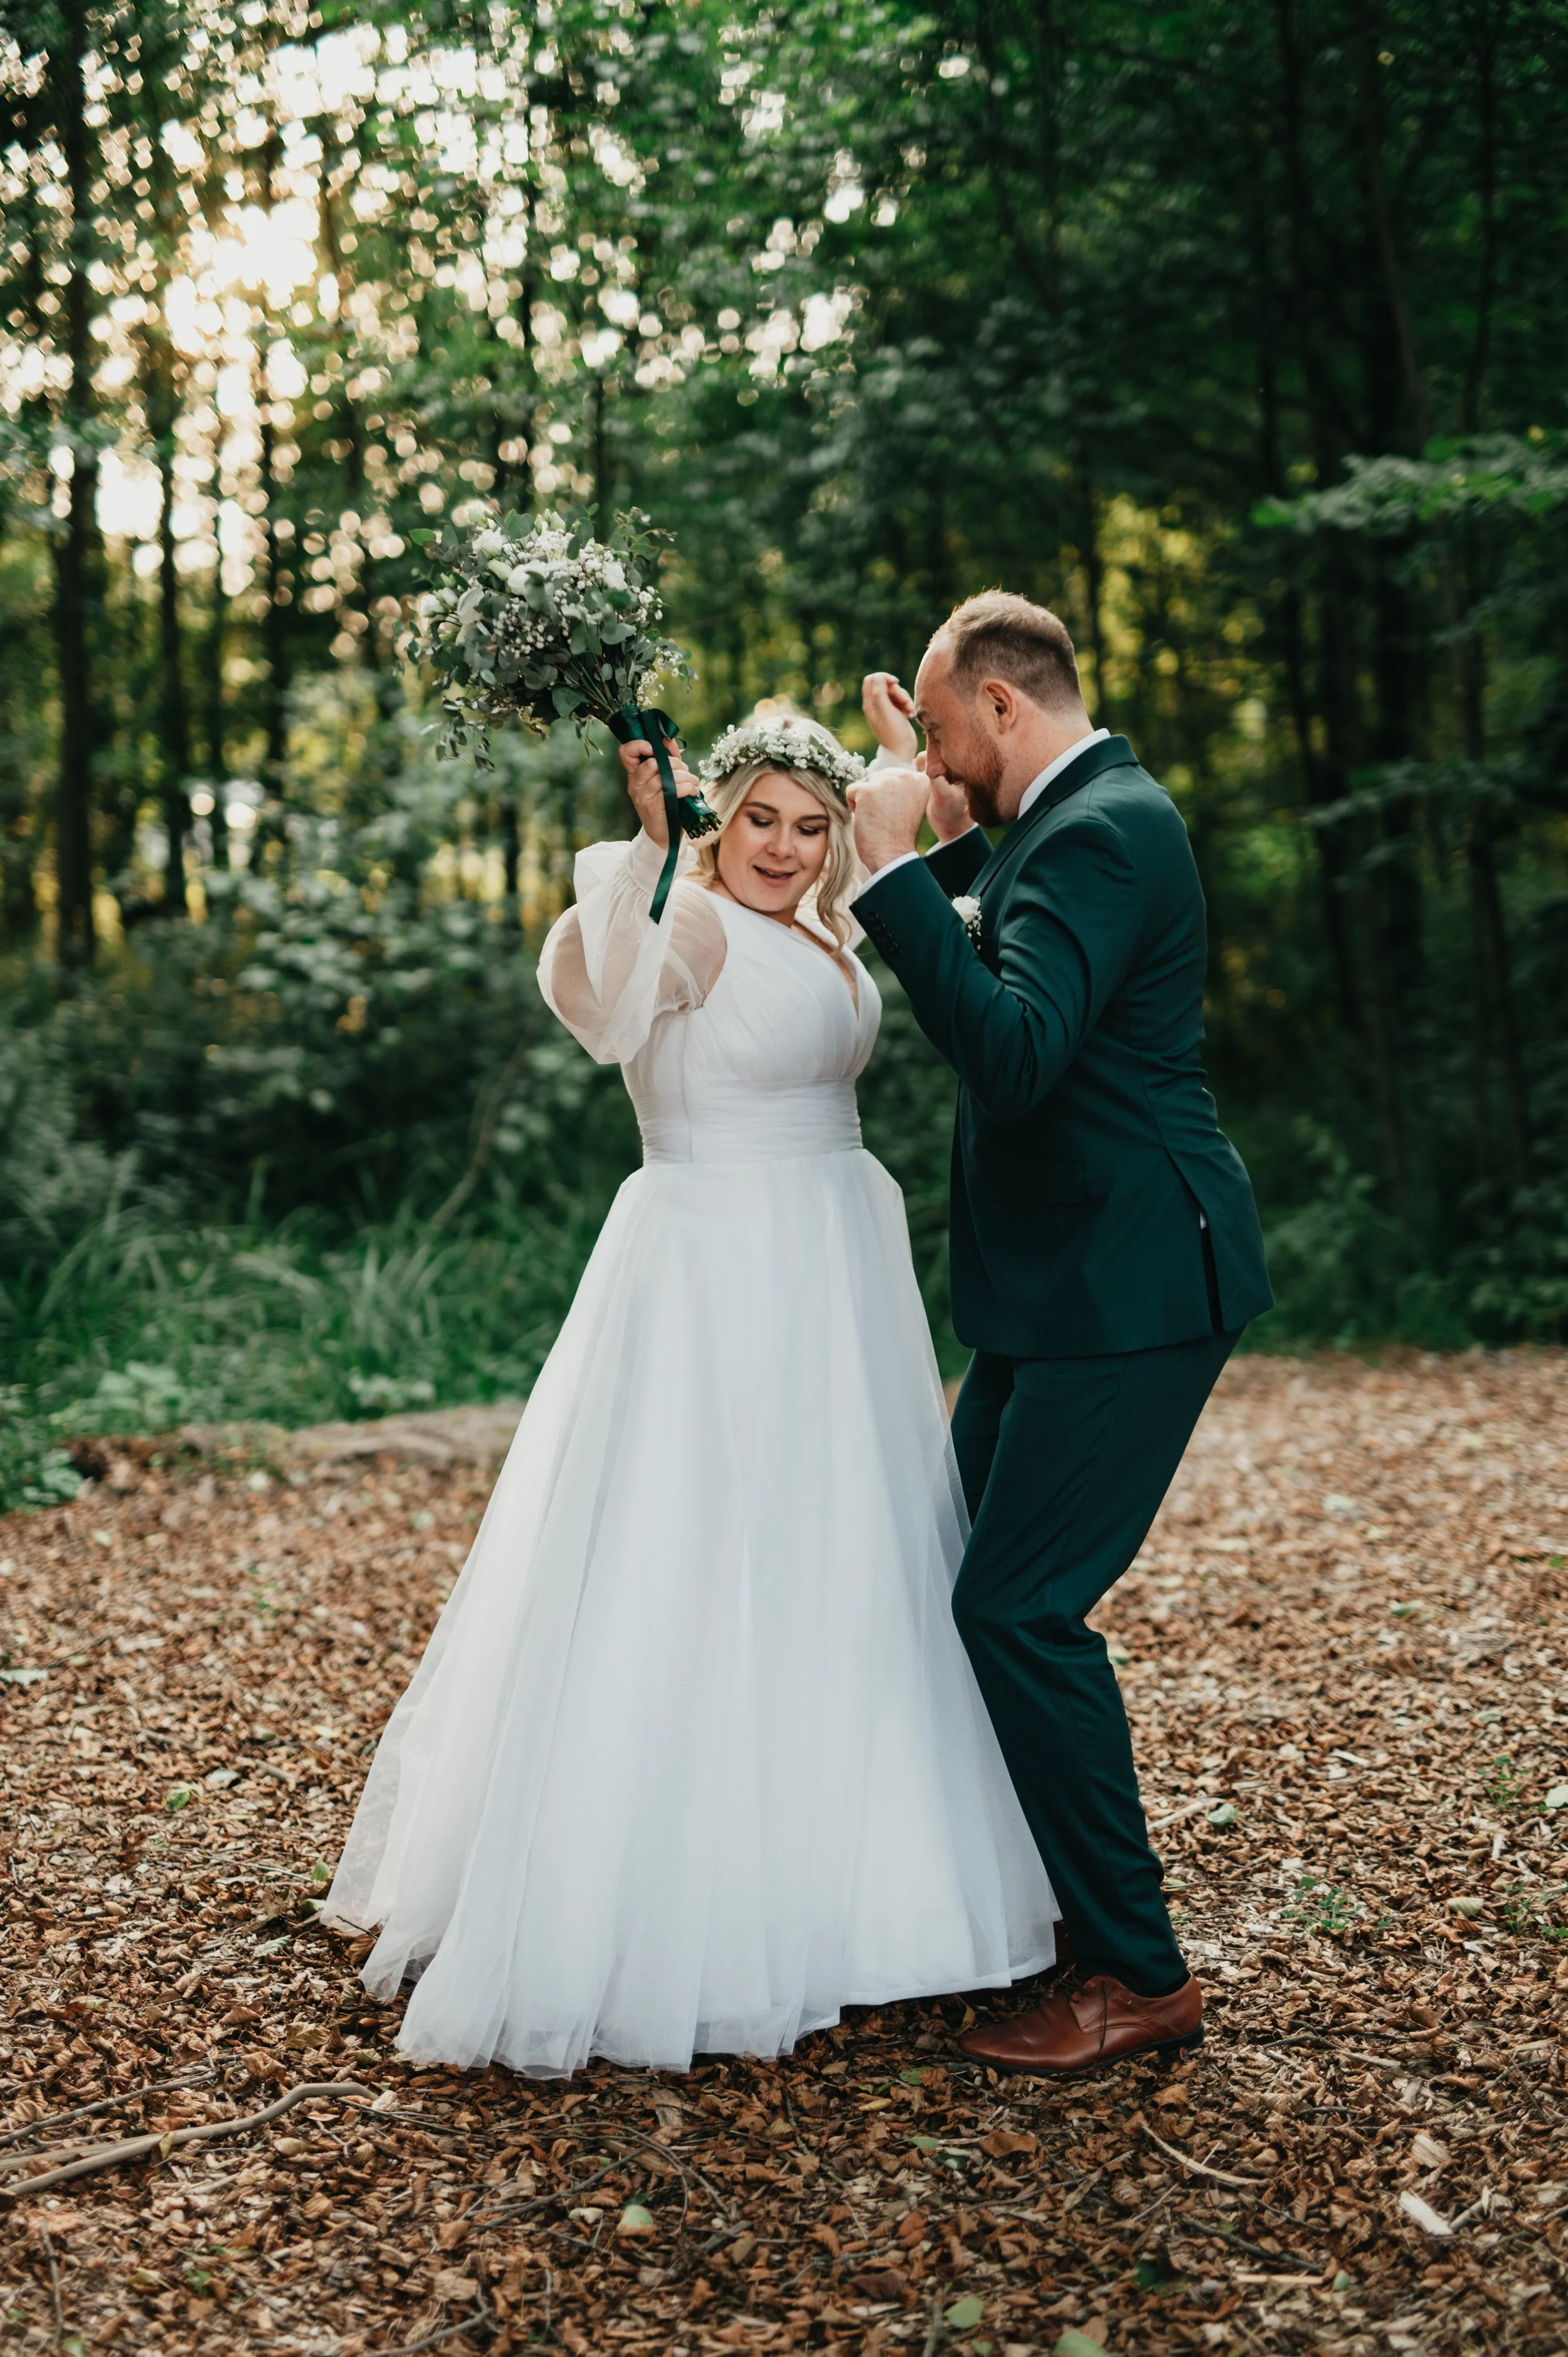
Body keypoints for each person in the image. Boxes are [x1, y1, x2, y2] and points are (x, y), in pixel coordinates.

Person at [324, 709, 1058, 2078]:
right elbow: (607, 1015)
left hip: (829, 1258)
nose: (783, 847)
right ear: (718, 815)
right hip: (714, 1262)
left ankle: (867, 1876)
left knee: (838, 1554)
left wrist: (921, 797)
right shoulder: (689, 919)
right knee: (694, 1545)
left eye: (807, 825)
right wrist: (649, 858)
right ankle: (684, 1895)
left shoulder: (830, 931)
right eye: (759, 820)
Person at [850, 598, 1273, 2076]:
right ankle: (998, 1903)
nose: (939, 759)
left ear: (1003, 708)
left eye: (947, 730)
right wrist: (938, 838)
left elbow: (1017, 1048)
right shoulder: (1072, 816)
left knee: (1016, 1610)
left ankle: (1135, 1974)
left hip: (1133, 1283)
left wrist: (895, 865)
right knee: (945, 1552)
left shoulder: (1104, 827)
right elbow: (1009, 934)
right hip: (1060, 1287)